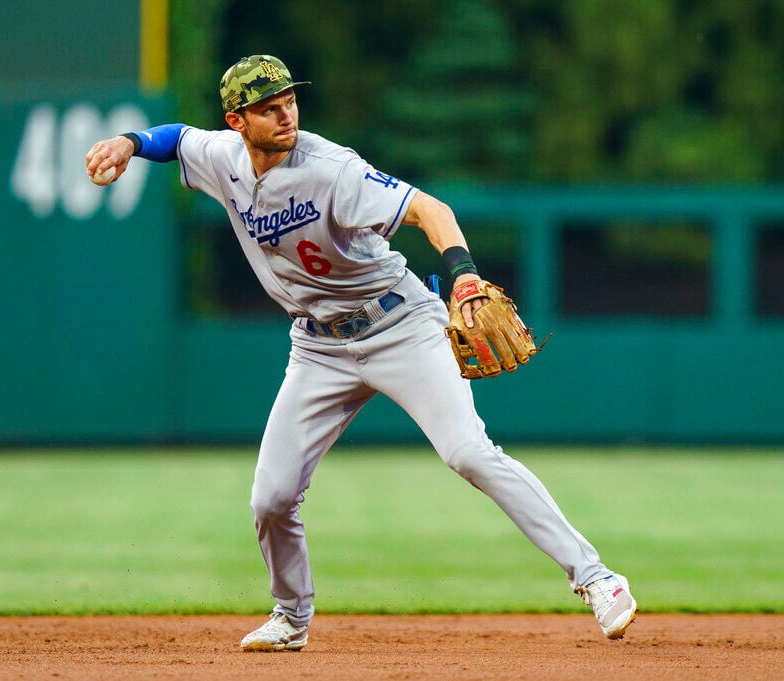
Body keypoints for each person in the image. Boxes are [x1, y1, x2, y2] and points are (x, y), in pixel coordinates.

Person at [86, 54, 637, 651]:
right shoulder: (222, 157)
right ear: (237, 120)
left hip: (399, 324)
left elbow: (433, 210)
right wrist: (128, 142)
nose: (286, 113)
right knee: (270, 498)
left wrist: (465, 277)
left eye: (290, 100)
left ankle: (598, 578)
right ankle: (291, 617)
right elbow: (176, 140)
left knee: (468, 452)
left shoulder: (331, 169)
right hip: (318, 347)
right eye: (269, 107)